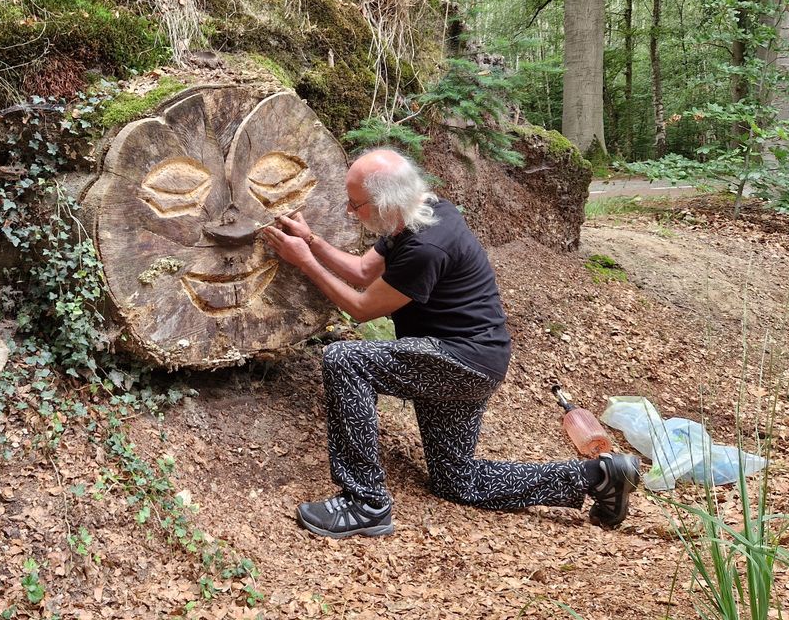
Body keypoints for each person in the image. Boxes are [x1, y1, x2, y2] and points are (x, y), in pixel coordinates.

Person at [260, 148, 640, 539]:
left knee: (345, 359)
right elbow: (361, 270)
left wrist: (304, 261)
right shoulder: (419, 213)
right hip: (472, 361)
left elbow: (360, 308)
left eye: (355, 205)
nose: (349, 211)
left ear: (385, 201)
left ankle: (365, 502)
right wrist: (311, 241)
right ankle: (599, 476)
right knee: (457, 480)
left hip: (460, 361)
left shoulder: (427, 246)